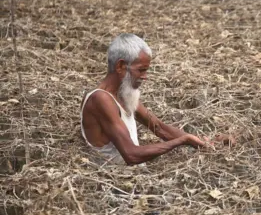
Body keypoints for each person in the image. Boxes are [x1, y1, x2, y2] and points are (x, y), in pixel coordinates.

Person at [80, 33, 234, 166]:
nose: (144, 77)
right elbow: (131, 155)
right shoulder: (100, 99)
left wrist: (207, 143)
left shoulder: (122, 95)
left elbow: (160, 128)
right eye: (141, 70)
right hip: (113, 183)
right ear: (120, 66)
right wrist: (182, 141)